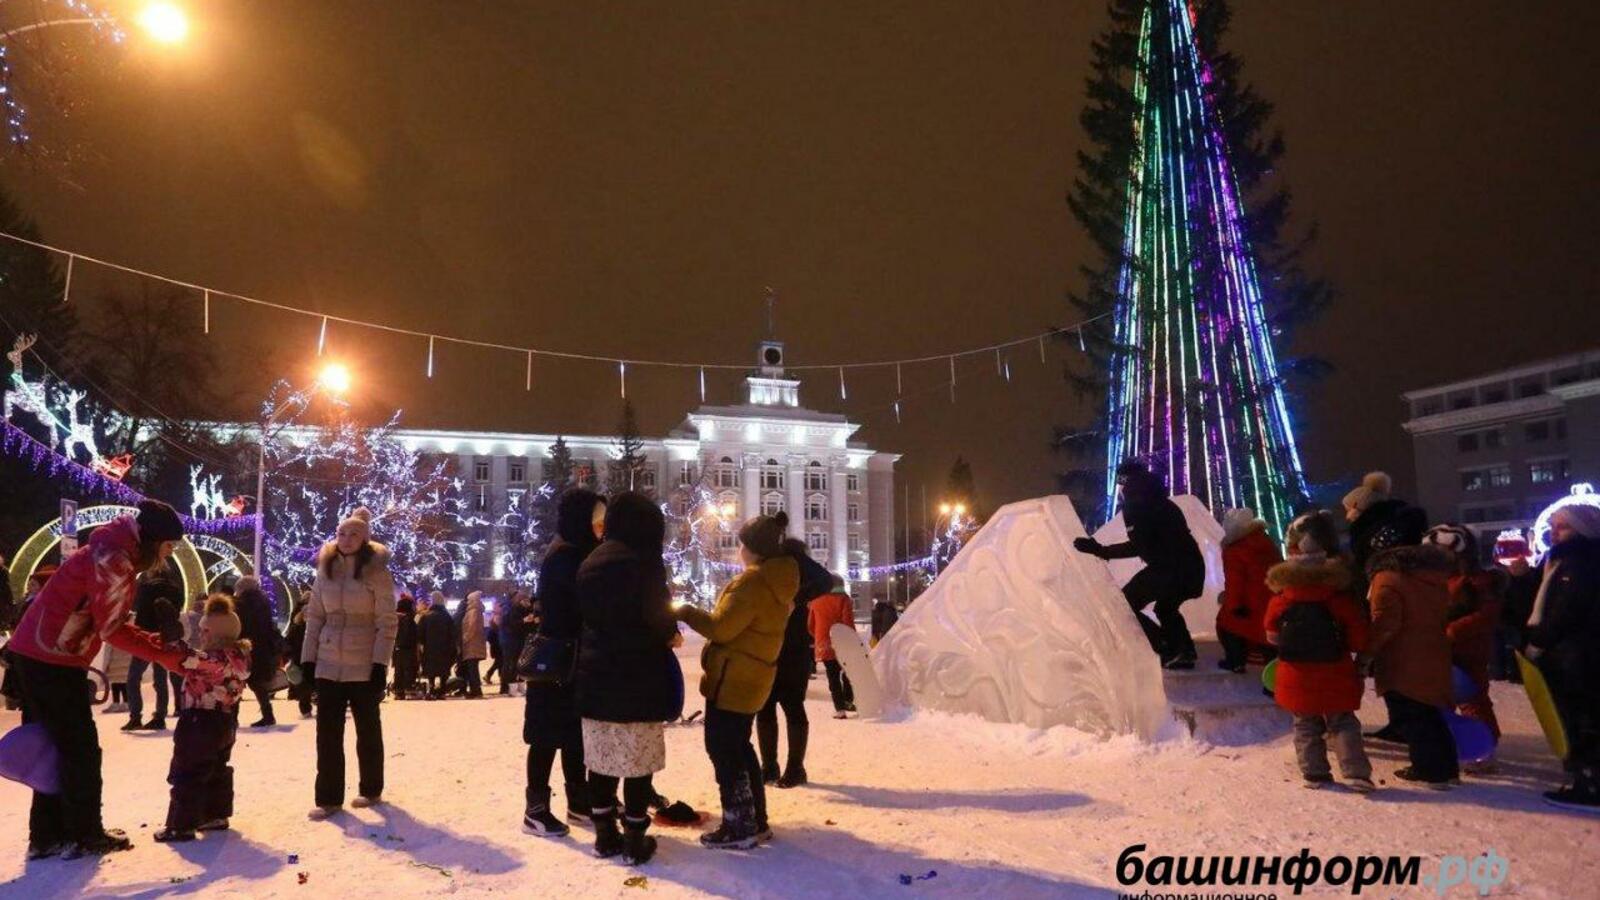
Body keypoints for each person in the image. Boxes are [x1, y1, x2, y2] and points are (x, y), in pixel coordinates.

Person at [6, 500, 188, 858]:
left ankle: (46, 835)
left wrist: (153, 643)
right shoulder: (114, 560)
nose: (167, 556)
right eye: (168, 547)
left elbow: (109, 620)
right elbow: (112, 629)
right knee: (81, 750)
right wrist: (165, 655)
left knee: (53, 745)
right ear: (153, 540)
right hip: (51, 658)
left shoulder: (112, 551)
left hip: (40, 653)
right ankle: (84, 834)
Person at [678, 511, 799, 850]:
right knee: (741, 748)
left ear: (754, 549)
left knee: (724, 750)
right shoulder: (779, 580)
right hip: (753, 678)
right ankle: (754, 820)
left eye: (742, 544)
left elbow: (721, 628)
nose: (738, 550)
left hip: (733, 679)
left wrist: (685, 610)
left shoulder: (752, 583)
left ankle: (739, 825)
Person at [575, 492, 681, 864]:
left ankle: (605, 835)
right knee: (639, 762)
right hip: (639, 676)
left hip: (596, 676)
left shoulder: (591, 561)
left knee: (601, 760)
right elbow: (658, 615)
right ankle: (635, 839)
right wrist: (670, 631)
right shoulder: (644, 562)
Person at [1264, 512, 1374, 792]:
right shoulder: (1337, 596)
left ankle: (1315, 773)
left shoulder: (1282, 598)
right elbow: (1358, 634)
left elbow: (1272, 634)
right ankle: (1356, 772)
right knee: (1342, 721)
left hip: (1296, 672)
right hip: (1335, 668)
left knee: (1305, 723)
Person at [301, 508, 398, 818]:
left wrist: (380, 664)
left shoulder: (377, 572)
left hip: (363, 661)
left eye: (354, 534)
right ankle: (328, 798)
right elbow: (314, 617)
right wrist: (307, 659)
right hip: (329, 661)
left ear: (365, 539)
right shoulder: (324, 569)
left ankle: (371, 789)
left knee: (368, 730)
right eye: (342, 533)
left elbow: (386, 621)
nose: (346, 539)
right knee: (327, 733)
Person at [524, 488, 604, 837]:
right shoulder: (565, 556)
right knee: (545, 737)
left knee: (574, 734)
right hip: (555, 662)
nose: (601, 527)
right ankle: (536, 810)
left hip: (574, 660)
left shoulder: (580, 552)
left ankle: (578, 802)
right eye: (596, 520)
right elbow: (571, 608)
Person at [1073, 461, 1205, 669]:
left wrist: (1101, 550)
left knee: (1123, 604)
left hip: (1169, 569)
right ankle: (1183, 651)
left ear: (1124, 481)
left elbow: (1138, 546)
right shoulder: (1163, 502)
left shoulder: (1136, 504)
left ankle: (1165, 645)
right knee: (1166, 608)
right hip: (1192, 567)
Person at [153, 595, 254, 843]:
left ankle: (181, 824)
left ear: (219, 634)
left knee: (189, 770)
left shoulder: (216, 659)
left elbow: (189, 658)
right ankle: (215, 814)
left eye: (205, 632)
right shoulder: (239, 658)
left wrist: (173, 638)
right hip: (225, 722)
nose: (201, 636)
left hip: (200, 721)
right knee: (217, 768)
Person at [1362, 537, 1459, 789]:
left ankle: (1430, 772)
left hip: (1402, 657)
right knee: (1429, 713)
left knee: (1411, 716)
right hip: (1434, 652)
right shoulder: (1432, 579)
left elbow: (1385, 623)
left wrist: (1366, 654)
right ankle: (1447, 769)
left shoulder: (1386, 580)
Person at [1524, 504, 1600, 811]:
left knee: (1584, 717)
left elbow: (1568, 610)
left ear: (1582, 529)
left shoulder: (1580, 561)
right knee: (1578, 715)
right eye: (1554, 525)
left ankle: (1591, 785)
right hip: (1573, 652)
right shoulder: (1561, 560)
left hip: (1580, 653)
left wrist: (1540, 640)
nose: (1555, 532)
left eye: (1563, 526)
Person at [1424, 525, 1505, 765]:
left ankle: (1485, 748)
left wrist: (1452, 630)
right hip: (1443, 650)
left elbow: (1487, 614)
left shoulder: (1477, 581)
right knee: (1445, 698)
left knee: (1474, 699)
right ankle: (1460, 743)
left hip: (1469, 650)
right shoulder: (1440, 580)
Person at [756, 537, 828, 789]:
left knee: (790, 705)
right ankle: (770, 767)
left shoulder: (792, 563)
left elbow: (825, 580)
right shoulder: (764, 564)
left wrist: (797, 599)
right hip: (770, 647)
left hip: (790, 647)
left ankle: (794, 768)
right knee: (766, 707)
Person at [1216, 508, 1282, 673]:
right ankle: (1274, 672)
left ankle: (1235, 661)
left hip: (1249, 601)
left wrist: (1233, 605)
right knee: (1266, 635)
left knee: (1227, 625)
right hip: (1273, 597)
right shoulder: (1265, 541)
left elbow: (1235, 582)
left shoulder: (1234, 549)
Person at [124, 569, 185, 732]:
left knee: (133, 677)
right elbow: (176, 612)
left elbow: (138, 608)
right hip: (165, 637)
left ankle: (135, 716)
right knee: (160, 678)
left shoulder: (145, 588)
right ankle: (160, 717)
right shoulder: (176, 589)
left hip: (146, 636)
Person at [1343, 472, 1427, 586]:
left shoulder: (1372, 534)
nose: (1347, 516)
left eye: (1348, 510)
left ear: (1357, 507)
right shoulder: (1401, 521)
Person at [231, 576, 283, 728]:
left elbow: (239, 625)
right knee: (257, 684)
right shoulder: (264, 602)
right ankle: (268, 714)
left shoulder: (239, 604)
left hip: (243, 646)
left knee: (237, 681)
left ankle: (233, 718)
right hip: (261, 648)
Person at [808, 574, 856, 717]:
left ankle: (839, 709)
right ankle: (848, 700)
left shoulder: (816, 601)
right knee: (848, 673)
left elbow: (810, 625)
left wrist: (818, 637)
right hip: (843, 642)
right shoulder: (844, 599)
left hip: (824, 644)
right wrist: (852, 639)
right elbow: (848, 622)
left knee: (832, 676)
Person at [418, 589, 457, 699]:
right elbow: (452, 633)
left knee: (431, 669)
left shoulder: (426, 616)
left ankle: (431, 687)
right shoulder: (447, 617)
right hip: (444, 649)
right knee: (443, 669)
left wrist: (422, 645)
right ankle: (442, 689)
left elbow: (420, 634)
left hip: (430, 649)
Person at [284, 595, 314, 718]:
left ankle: (305, 707)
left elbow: (289, 642)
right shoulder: (313, 628)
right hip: (308, 658)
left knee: (304, 685)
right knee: (308, 683)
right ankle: (306, 706)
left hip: (300, 658)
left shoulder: (297, 627)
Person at [457, 590, 488, 699]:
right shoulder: (475, 610)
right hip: (475, 643)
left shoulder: (473, 611)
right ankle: (475, 689)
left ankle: (476, 690)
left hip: (472, 644)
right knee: (473, 667)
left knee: (472, 668)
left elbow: (472, 627)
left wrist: (465, 638)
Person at [392, 593, 420, 700]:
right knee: (408, 669)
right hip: (407, 648)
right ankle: (407, 688)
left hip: (398, 648)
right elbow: (409, 634)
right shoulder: (408, 619)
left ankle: (399, 689)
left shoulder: (396, 618)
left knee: (399, 670)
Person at [486, 607, 505, 689]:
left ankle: (499, 677)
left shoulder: (497, 627)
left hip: (500, 647)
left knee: (500, 662)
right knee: (499, 662)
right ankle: (490, 675)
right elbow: (489, 638)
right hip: (497, 648)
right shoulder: (493, 628)